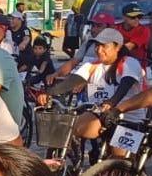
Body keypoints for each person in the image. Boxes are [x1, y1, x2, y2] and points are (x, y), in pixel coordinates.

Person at [36, 28, 146, 158]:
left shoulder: (129, 63)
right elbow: (73, 81)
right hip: (101, 115)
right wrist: (49, 93)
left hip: (128, 119)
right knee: (68, 129)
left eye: (104, 46)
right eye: (97, 46)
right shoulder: (92, 64)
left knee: (120, 161)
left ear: (118, 47)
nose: (99, 50)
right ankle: (72, 162)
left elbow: (125, 84)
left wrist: (111, 103)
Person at [49, 12, 114, 83]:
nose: (94, 29)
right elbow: (73, 62)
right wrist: (56, 74)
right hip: (86, 88)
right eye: (93, 26)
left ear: (110, 28)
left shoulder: (117, 47)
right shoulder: (88, 44)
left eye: (99, 26)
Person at [117, 2, 149, 67]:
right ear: (124, 17)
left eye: (139, 16)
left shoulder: (143, 30)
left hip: (138, 67)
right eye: (133, 17)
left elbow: (126, 48)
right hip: (117, 64)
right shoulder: (116, 28)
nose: (137, 19)